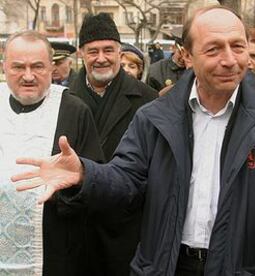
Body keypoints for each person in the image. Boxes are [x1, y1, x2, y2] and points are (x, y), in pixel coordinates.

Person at [12, 6, 255, 276]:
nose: (230, 59)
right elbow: (127, 180)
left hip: (238, 267)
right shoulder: (154, 117)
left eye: (237, 46)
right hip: (165, 265)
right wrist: (86, 175)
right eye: (214, 48)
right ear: (185, 55)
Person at [0, 31, 103, 275]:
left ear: (51, 68)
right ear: (4, 67)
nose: (28, 76)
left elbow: (97, 186)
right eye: (18, 67)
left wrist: (74, 183)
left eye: (37, 66)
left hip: (55, 252)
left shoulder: (74, 111)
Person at [68, 12, 157, 276]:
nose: (101, 58)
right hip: (78, 231)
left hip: (127, 231)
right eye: (93, 51)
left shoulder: (148, 100)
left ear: (120, 52)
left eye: (109, 49)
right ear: (81, 53)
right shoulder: (64, 100)